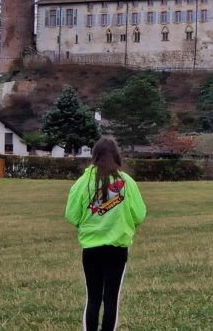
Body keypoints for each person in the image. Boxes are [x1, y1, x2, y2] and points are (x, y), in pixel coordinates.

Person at [65, 137, 146, 331]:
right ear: (117, 156)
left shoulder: (83, 183)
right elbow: (139, 215)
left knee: (93, 299)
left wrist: (89, 224)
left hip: (91, 249)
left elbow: (71, 215)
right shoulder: (127, 183)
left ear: (94, 156)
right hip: (118, 249)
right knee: (111, 300)